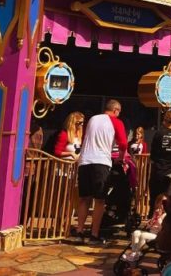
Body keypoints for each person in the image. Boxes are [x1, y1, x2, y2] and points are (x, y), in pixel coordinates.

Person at [74, 99, 129, 245]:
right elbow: (123, 143)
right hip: (101, 162)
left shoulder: (92, 119)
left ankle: (79, 232)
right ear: (116, 110)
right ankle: (94, 234)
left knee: (84, 198)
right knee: (99, 200)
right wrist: (122, 159)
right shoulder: (116, 122)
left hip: (85, 161)